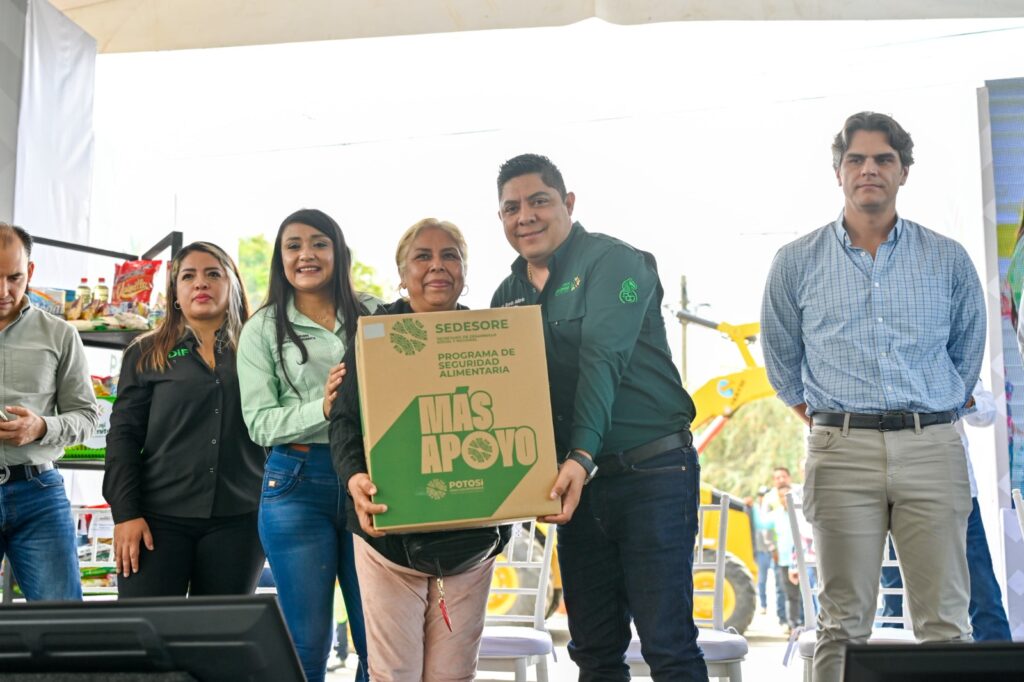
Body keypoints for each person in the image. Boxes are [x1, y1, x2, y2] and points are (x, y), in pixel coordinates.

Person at [761, 111, 983, 681]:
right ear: (838, 172)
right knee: (841, 624)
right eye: (856, 159)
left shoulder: (947, 259)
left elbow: (966, 357)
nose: (869, 170)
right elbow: (782, 365)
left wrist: (931, 416)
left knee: (946, 623)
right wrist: (835, 427)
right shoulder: (795, 263)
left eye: (884, 159)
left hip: (931, 447)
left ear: (903, 171)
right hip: (841, 453)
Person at [491, 154, 707, 681]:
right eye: (511, 208)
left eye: (539, 201)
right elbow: (498, 387)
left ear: (567, 202)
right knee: (593, 649)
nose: (525, 216)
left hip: (651, 474)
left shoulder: (617, 264)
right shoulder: (507, 295)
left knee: (668, 645)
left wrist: (581, 454)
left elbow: (601, 357)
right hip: (576, 488)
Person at [331, 218, 511, 682]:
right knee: (395, 674)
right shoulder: (373, 336)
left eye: (450, 255)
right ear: (402, 273)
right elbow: (344, 421)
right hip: (389, 540)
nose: (437, 266)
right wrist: (355, 479)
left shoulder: (493, 339)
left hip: (471, 541)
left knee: (454, 676)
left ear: (465, 271)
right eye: (423, 256)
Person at [237, 209, 378, 682]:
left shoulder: (375, 313)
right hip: (297, 484)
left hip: (373, 480)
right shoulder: (262, 328)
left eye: (319, 243)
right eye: (293, 246)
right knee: (306, 641)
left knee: (379, 637)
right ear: (280, 259)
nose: (306, 255)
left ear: (339, 252)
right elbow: (259, 424)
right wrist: (323, 408)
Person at [103, 242, 266, 598]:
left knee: (219, 630)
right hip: (155, 521)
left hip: (239, 521)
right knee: (147, 627)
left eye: (213, 274)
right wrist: (126, 514)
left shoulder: (260, 350)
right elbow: (123, 437)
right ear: (175, 292)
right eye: (188, 276)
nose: (200, 283)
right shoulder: (146, 352)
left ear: (233, 285)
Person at [0, 223, 98, 601]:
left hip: (38, 494)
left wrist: (41, 427)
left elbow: (87, 417)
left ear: (31, 271)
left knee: (63, 622)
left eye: (14, 278)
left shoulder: (60, 334)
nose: (4, 291)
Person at [879, 380, 1012, 640]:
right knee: (894, 594)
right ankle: (887, 659)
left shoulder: (952, 366)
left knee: (981, 588)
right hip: (892, 489)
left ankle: (999, 659)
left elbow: (986, 413)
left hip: (955, 490)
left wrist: (960, 397)